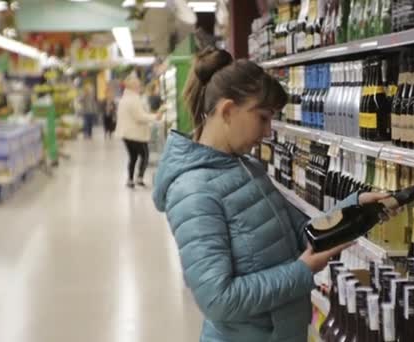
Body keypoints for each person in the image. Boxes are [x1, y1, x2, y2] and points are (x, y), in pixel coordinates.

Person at [152, 48, 393, 342]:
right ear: (228, 111)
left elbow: (298, 234)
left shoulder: (246, 167)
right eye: (263, 118)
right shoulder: (192, 192)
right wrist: (301, 272)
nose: (267, 132)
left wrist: (353, 208)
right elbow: (218, 299)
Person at [115, 73, 163, 188]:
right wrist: (155, 117)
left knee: (133, 157)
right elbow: (140, 117)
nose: (140, 86)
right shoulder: (133, 99)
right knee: (145, 155)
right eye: (138, 85)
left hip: (126, 134)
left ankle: (130, 179)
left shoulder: (125, 98)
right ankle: (139, 178)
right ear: (132, 86)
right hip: (135, 134)